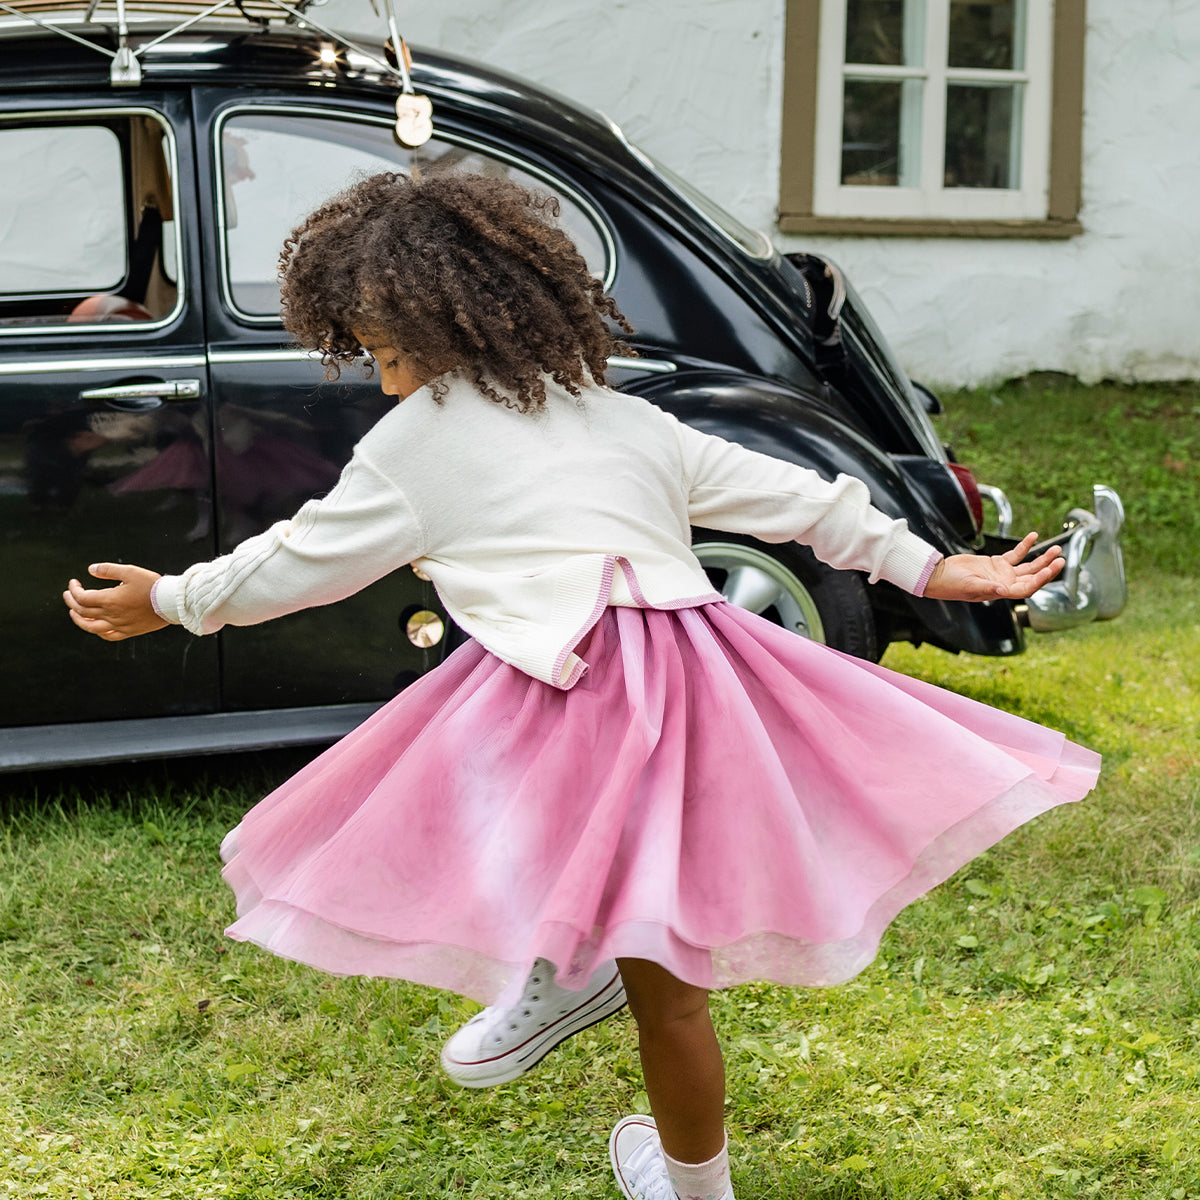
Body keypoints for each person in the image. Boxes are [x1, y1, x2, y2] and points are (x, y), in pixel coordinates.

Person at [63, 171, 1097, 1200]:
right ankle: (672, 1143)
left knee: (474, 808)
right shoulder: (624, 419)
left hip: (567, 699)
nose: (379, 383)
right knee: (672, 990)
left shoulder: (421, 444)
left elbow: (299, 562)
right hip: (698, 690)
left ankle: (568, 971)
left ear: (443, 324)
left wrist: (177, 599)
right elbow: (800, 501)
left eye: (383, 355)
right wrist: (933, 566)